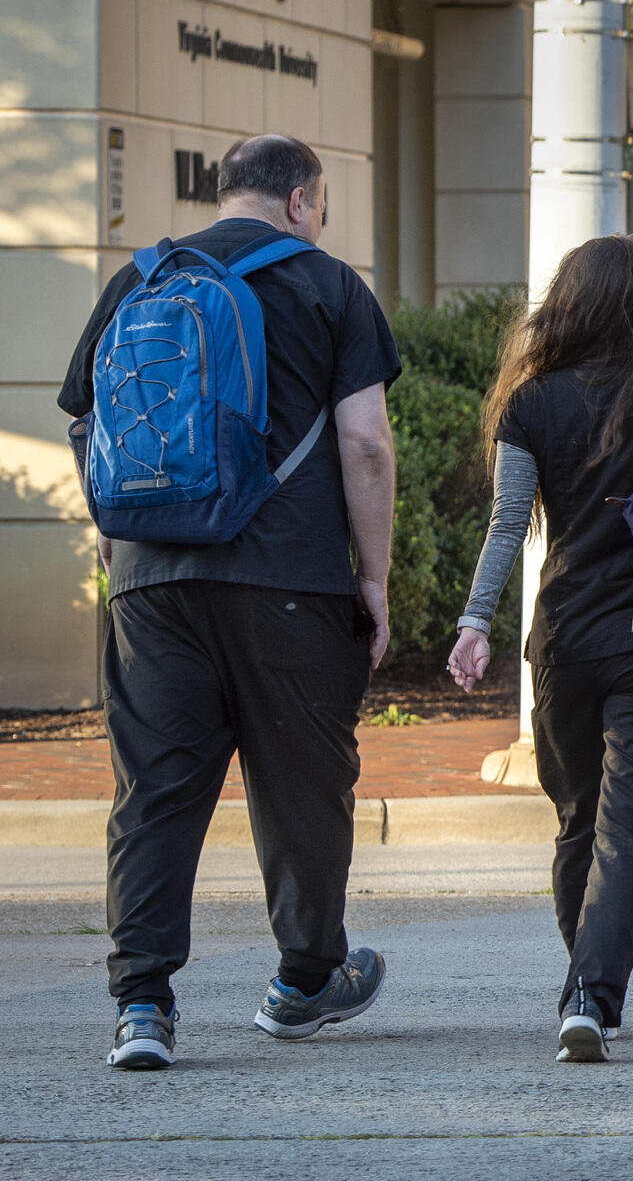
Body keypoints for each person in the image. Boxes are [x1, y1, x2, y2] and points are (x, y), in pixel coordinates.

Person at [62, 135, 398, 1071]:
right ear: (299, 199)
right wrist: (373, 577)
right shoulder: (332, 289)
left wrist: (117, 544)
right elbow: (365, 443)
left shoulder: (139, 280)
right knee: (301, 784)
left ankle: (142, 1006)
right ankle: (303, 981)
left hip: (151, 580)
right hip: (289, 579)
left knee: (155, 792)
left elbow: (89, 424)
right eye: (321, 202)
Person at [446, 237, 633, 1059]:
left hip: (563, 639)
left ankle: (585, 986)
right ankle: (591, 996)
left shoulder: (529, 406)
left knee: (577, 818)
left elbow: (508, 527)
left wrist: (472, 623)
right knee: (626, 825)